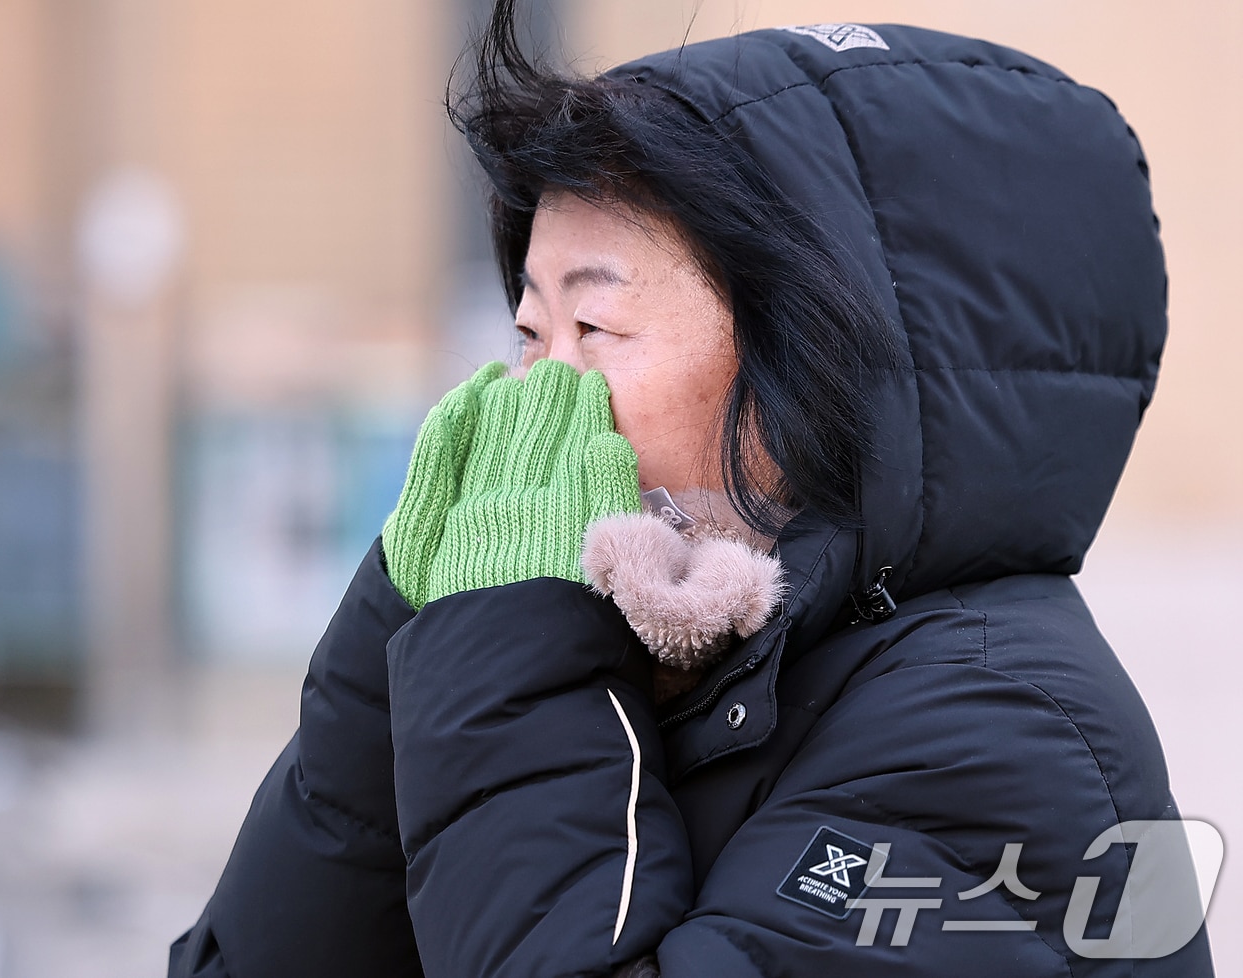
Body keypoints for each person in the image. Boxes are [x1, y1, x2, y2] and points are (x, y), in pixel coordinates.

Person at [169, 2, 1215, 975]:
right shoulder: (662, 663)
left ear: (803, 367)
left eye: (597, 330)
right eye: (528, 331)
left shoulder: (1000, 737)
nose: (537, 399)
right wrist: (414, 609)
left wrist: (500, 646)